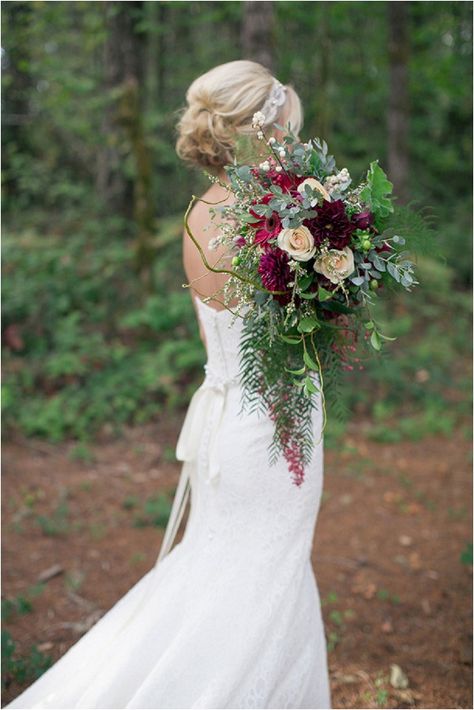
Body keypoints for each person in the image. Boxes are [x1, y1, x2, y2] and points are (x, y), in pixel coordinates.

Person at [5, 60, 332, 710]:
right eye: (283, 126)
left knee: (229, 575)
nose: (290, 139)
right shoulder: (275, 219)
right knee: (263, 579)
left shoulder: (200, 215)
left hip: (224, 424)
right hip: (275, 423)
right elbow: (301, 327)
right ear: (258, 128)